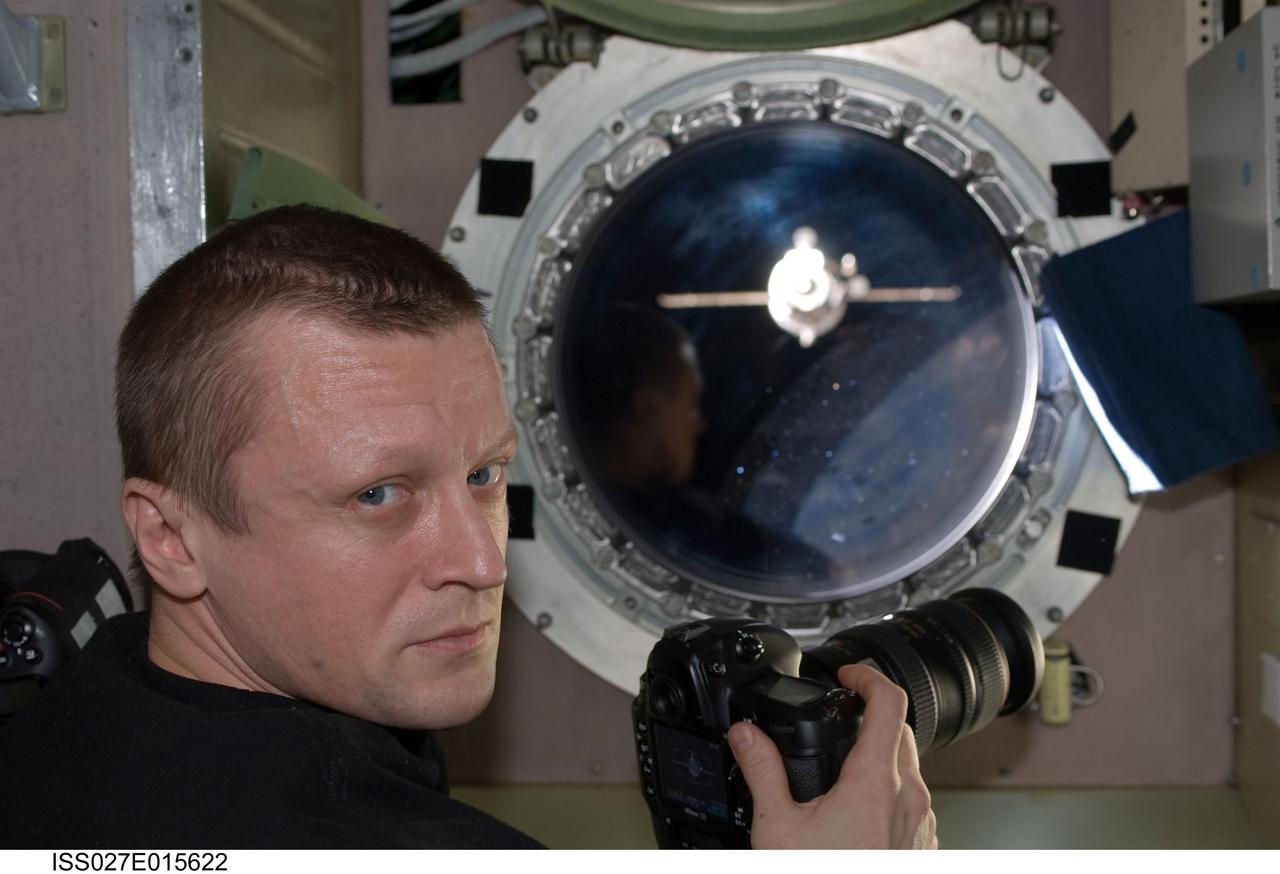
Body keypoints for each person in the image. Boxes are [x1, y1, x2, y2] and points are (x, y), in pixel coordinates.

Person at [0, 206, 936, 849]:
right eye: (378, 495)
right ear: (169, 537)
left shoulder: (78, 720)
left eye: (485, 475)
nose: (482, 560)